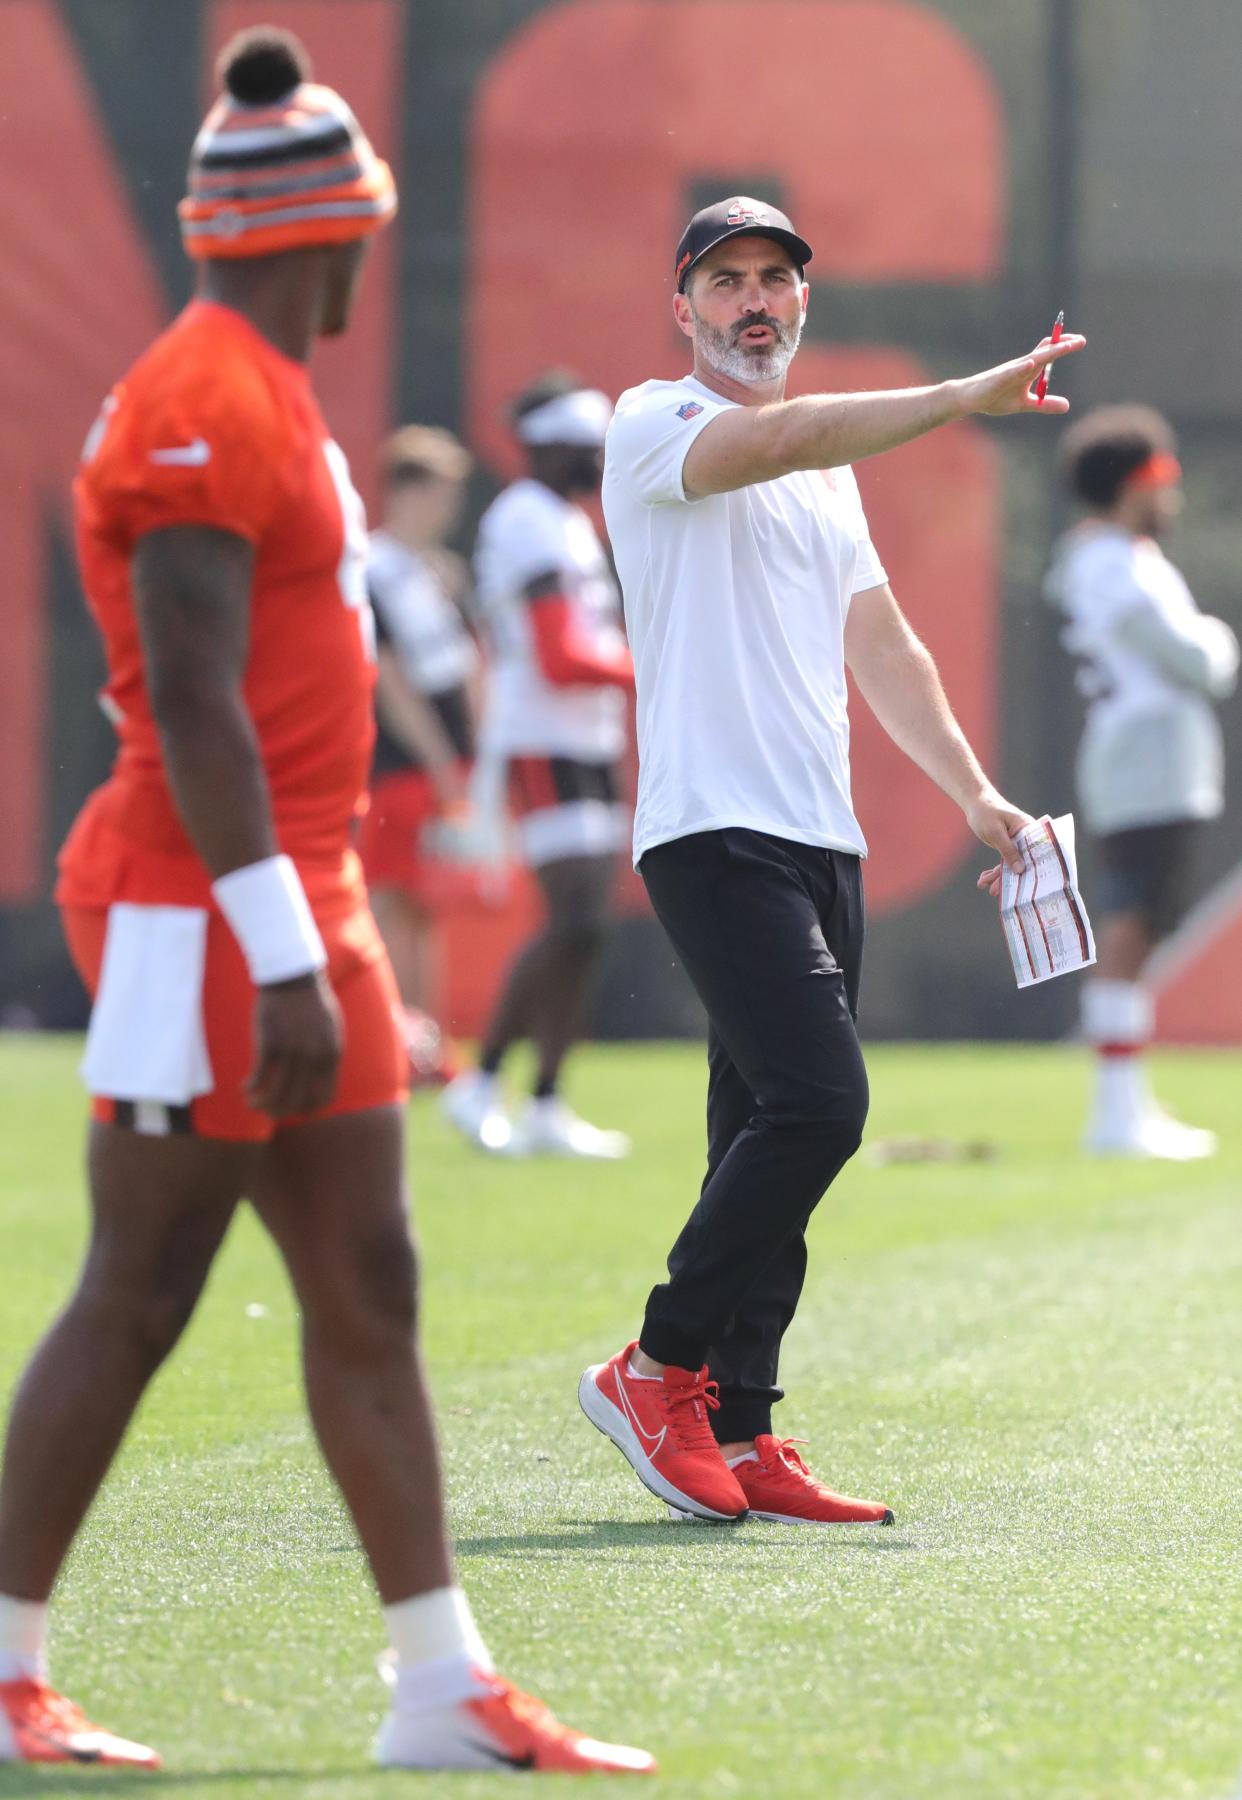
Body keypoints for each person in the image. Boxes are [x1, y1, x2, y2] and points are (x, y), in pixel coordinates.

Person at [0, 29, 651, 1776]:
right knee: (141, 1287)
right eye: (357, 229)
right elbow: (191, 693)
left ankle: (438, 1690)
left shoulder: (262, 388)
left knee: (369, 1272)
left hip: (299, 896)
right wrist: (281, 951)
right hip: (203, 911)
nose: (369, 254)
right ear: (318, 235)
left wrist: (306, 931)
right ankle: (1, 1671)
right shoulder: (203, 394)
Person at [579, 196, 1084, 1526]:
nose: (753, 301)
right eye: (725, 281)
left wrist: (976, 796)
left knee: (758, 1128)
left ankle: (740, 1431)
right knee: (820, 1105)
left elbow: (882, 643)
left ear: (802, 302)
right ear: (680, 308)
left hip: (819, 836)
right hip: (710, 829)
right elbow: (789, 429)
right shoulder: (651, 421)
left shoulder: (826, 472)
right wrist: (967, 393)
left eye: (774, 282)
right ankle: (653, 1365)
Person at [441, 372, 635, 1159]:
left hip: (584, 738)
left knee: (587, 929)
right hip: (541, 734)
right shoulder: (528, 518)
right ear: (550, 449)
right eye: (587, 448)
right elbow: (558, 655)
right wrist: (654, 665)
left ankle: (548, 1102)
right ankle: (482, 1082)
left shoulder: (565, 520)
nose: (599, 461)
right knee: (574, 918)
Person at [1045, 405, 1238, 1158]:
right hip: (1147, 749)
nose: (1174, 495)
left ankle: (1125, 1105)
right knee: (1133, 926)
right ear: (1138, 481)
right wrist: (1219, 639)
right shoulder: (1115, 563)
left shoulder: (1105, 557)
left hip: (1142, 749)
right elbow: (1198, 661)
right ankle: (1117, 1112)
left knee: (1142, 923)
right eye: (1164, 477)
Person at [358, 425, 479, 1087]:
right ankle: (388, 1038)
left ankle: (423, 1041)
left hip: (446, 765)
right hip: (399, 765)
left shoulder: (443, 571)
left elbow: (469, 668)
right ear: (404, 490)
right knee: (392, 901)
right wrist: (436, 756)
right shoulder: (372, 566)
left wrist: (476, 757)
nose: (447, 509)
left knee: (426, 906)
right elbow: (389, 676)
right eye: (437, 493)